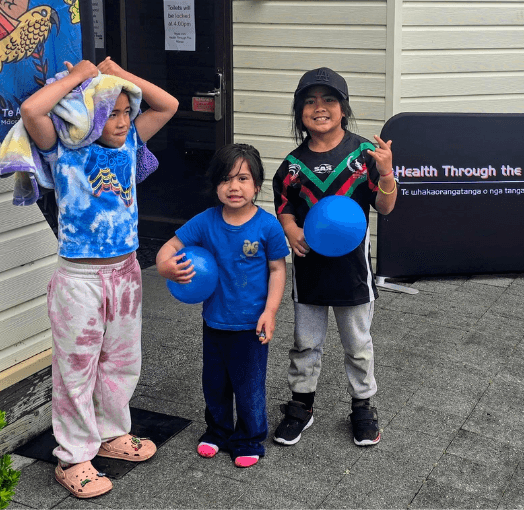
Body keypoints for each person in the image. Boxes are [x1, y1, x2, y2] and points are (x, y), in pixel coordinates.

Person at [19, 57, 178, 498]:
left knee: (122, 361)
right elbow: (33, 111)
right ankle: (73, 457)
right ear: (89, 113)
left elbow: (167, 105)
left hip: (126, 274)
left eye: (128, 112)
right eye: (113, 112)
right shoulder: (64, 148)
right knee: (75, 370)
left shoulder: (128, 147)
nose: (125, 122)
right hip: (80, 280)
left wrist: (120, 74)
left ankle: (111, 433)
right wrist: (79, 78)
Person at [271, 67, 398, 447]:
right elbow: (285, 207)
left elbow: (386, 207)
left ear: (343, 108)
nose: (319, 107)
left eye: (329, 100)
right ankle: (302, 405)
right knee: (305, 342)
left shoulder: (364, 155)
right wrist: (290, 229)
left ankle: (362, 406)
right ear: (299, 113)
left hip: (353, 273)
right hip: (309, 271)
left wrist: (388, 173)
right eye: (309, 102)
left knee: (358, 344)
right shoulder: (292, 165)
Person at [156, 143, 289, 468]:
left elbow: (277, 269)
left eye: (243, 178)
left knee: (248, 388)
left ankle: (249, 439)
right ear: (215, 185)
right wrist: (164, 266)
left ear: (257, 185)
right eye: (226, 179)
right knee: (214, 385)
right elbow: (170, 247)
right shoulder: (205, 221)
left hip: (250, 326)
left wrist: (270, 312)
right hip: (214, 322)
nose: (234, 186)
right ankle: (217, 432)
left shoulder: (268, 226)